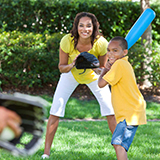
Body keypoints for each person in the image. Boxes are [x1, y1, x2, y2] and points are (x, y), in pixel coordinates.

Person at [41, 12, 117, 159]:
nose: (85, 29)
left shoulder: (101, 43)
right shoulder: (67, 41)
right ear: (76, 27)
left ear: (94, 27)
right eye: (81, 25)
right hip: (71, 74)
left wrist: (97, 69)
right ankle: (46, 153)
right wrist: (73, 64)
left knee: (110, 110)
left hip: (93, 76)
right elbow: (61, 67)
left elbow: (103, 68)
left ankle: (120, 151)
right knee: (55, 109)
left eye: (89, 25)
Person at [98, 36, 147, 160]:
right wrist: (107, 69)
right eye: (109, 50)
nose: (110, 54)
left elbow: (101, 84)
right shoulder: (123, 63)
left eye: (115, 50)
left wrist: (105, 70)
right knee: (119, 144)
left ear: (124, 52)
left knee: (118, 144)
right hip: (129, 111)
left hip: (129, 112)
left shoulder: (119, 64)